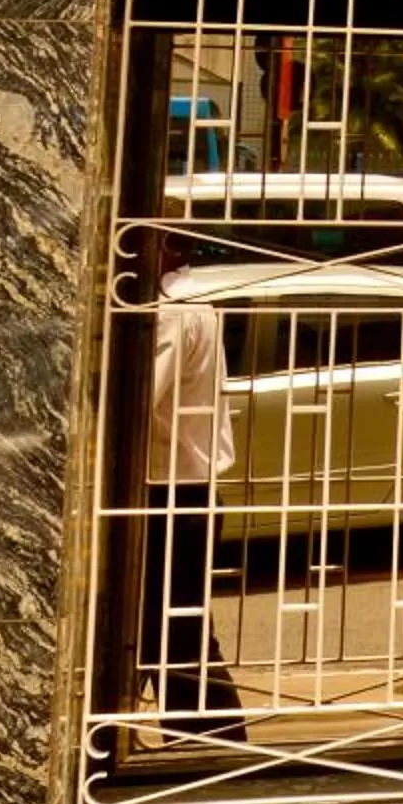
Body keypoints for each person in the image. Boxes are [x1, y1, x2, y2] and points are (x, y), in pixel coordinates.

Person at [142, 228, 245, 740]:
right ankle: (208, 746)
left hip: (169, 490)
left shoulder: (171, 310)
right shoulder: (192, 300)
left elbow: (140, 397)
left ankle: (216, 749)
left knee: (174, 635)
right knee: (170, 632)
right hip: (187, 489)